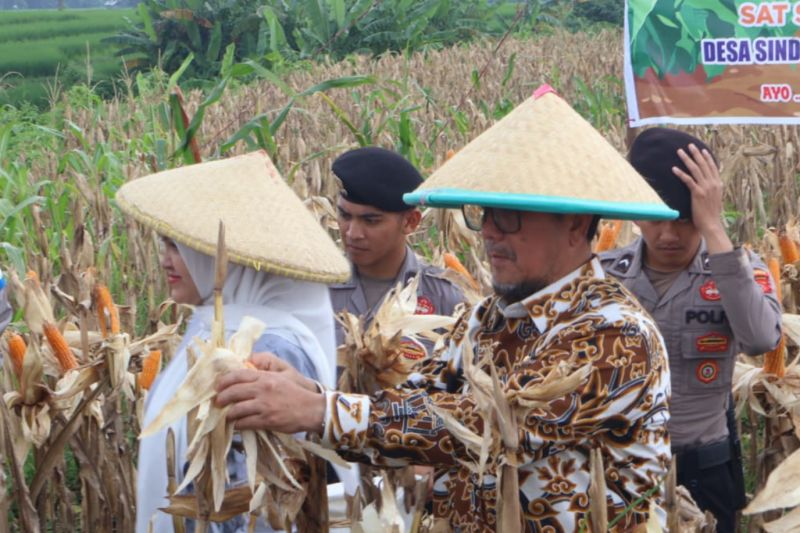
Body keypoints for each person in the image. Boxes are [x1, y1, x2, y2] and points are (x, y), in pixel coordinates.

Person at [215, 87, 676, 531]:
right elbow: (414, 403)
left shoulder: (617, 333)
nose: (489, 234)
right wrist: (306, 390)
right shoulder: (486, 320)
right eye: (484, 215)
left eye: (509, 218)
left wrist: (319, 410)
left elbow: (492, 428)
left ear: (575, 223)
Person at [115, 151, 356, 532]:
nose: (164, 261)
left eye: (177, 246)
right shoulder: (214, 330)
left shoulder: (268, 347)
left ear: (226, 256)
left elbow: (256, 501)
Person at [600, 127, 783, 531]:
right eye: (656, 220)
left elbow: (761, 338)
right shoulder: (603, 276)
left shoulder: (739, 271)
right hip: (620, 474)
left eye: (684, 220)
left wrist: (715, 229)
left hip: (705, 474)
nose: (668, 235)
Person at [329, 147, 465, 347]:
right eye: (345, 216)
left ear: (410, 222)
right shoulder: (317, 288)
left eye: (371, 221)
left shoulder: (444, 298)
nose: (352, 233)